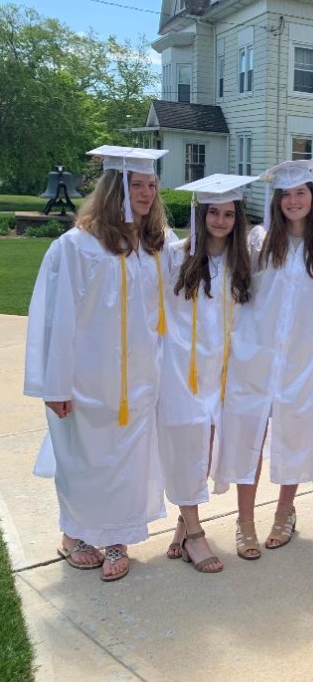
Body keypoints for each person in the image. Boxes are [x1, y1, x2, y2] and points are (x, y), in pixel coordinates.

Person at [25, 145, 170, 582]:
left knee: (126, 462)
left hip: (140, 382)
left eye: (151, 185)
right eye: (136, 184)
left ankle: (117, 538)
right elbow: (54, 318)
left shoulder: (154, 246)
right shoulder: (76, 246)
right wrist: (55, 384)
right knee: (82, 459)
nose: (145, 193)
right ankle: (78, 535)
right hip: (86, 378)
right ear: (114, 189)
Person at [215, 158, 313, 560]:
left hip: (302, 360)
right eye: (285, 194)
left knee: (295, 436)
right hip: (253, 355)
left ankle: (285, 512)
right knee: (246, 437)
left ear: (312, 196)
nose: (293, 200)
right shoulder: (257, 241)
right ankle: (245, 521)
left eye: (300, 192)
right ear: (276, 201)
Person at [159, 174, 257, 573]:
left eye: (228, 213)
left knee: (207, 449)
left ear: (237, 219)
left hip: (223, 373)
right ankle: (197, 537)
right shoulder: (174, 255)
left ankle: (184, 525)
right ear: (200, 215)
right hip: (181, 370)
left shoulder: (243, 262)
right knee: (188, 445)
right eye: (213, 212)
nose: (220, 220)